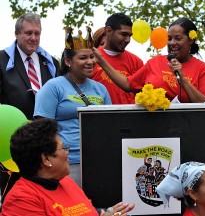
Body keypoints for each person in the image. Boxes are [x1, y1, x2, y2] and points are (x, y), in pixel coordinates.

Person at [0, 118, 135, 215]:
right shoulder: (21, 200)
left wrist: (106, 213)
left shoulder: (66, 182)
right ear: (46, 159)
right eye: (63, 148)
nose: (67, 154)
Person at [33, 27, 112, 187]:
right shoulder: (53, 87)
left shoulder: (101, 89)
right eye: (83, 58)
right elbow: (42, 129)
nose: (90, 62)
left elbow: (109, 124)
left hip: (97, 160)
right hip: (67, 163)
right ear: (68, 61)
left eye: (91, 57)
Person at [0, 12, 59, 203]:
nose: (33, 38)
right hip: (11, 141)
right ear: (17, 34)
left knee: (41, 193)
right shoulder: (1, 60)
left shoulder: (50, 62)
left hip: (43, 138)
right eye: (28, 33)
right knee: (14, 195)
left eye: (37, 33)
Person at [93, 17, 205, 103]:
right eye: (169, 38)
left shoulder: (203, 69)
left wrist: (182, 79)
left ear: (191, 39)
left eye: (178, 38)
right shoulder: (155, 62)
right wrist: (102, 61)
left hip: (188, 128)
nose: (172, 43)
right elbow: (128, 84)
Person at [91, 13, 144, 104]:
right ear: (109, 30)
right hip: (98, 115)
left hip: (128, 116)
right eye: (123, 34)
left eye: (130, 36)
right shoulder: (91, 57)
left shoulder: (136, 61)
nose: (128, 40)